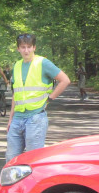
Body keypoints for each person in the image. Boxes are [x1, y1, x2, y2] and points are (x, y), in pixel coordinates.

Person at [6, 33, 70, 163]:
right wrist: (10, 118)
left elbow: (65, 80)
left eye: (29, 47)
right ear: (18, 49)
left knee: (33, 160)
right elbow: (16, 94)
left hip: (35, 118)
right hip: (17, 119)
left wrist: (49, 99)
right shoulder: (16, 66)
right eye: (23, 47)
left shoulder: (42, 63)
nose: (26, 50)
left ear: (34, 47)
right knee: (11, 160)